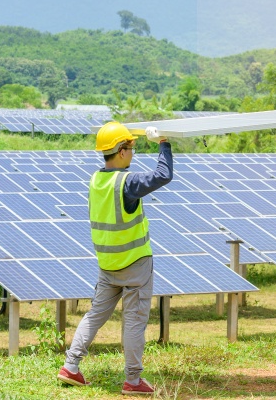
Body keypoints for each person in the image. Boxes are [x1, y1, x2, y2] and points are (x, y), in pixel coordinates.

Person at [57, 121, 171, 396]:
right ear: (121, 150)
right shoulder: (127, 182)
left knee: (95, 315)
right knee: (134, 322)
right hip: (135, 265)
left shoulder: (96, 180)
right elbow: (163, 175)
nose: (132, 152)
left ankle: (71, 366)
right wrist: (164, 144)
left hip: (107, 264)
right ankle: (133, 381)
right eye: (130, 147)